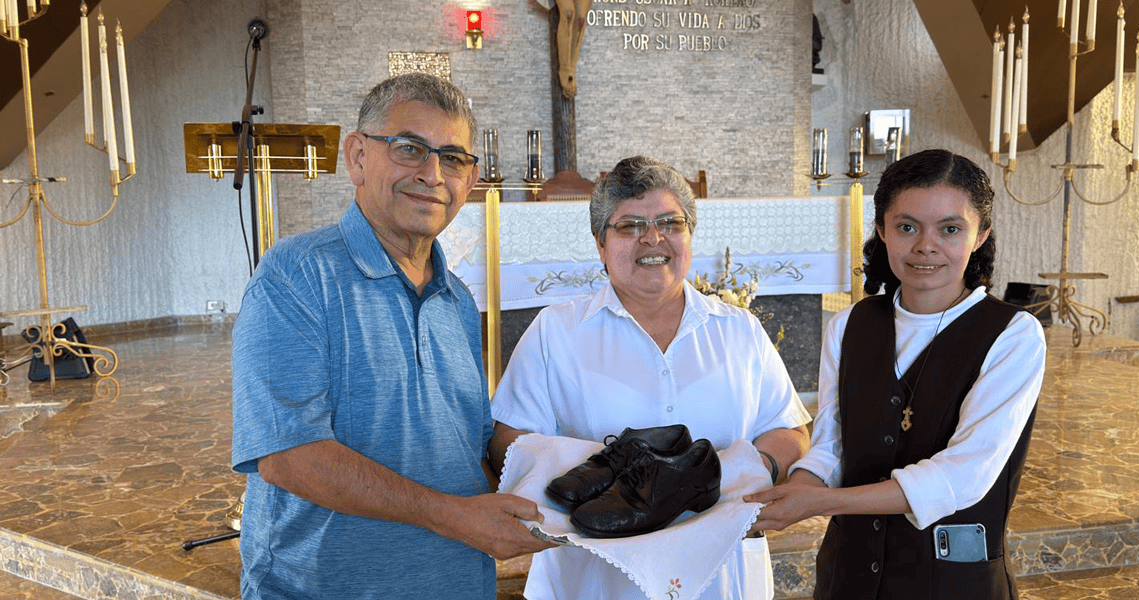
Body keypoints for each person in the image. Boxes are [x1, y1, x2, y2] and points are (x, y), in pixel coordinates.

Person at [231, 73, 551, 600]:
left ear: (469, 181)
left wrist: (559, 471)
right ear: (357, 157)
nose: (432, 174)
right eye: (409, 149)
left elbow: (464, 442)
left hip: (453, 584)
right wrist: (454, 517)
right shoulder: (296, 275)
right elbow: (289, 455)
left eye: (452, 158)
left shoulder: (456, 301)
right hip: (329, 587)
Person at [489, 155, 812, 600]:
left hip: (717, 574)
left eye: (670, 223)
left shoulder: (739, 331)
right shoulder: (555, 331)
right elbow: (508, 437)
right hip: (598, 575)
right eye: (629, 226)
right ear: (600, 244)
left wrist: (744, 476)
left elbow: (788, 428)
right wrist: (592, 477)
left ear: (690, 235)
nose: (653, 238)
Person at [746, 149, 1046, 599]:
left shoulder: (1013, 335)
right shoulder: (848, 326)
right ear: (883, 229)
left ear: (980, 235)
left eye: (950, 229)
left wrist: (823, 503)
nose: (926, 245)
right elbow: (831, 445)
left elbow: (964, 475)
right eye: (907, 227)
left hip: (949, 583)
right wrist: (794, 492)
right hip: (848, 576)